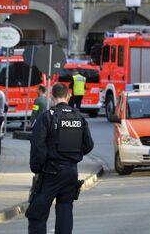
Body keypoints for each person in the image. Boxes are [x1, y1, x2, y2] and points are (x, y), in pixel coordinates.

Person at [26, 83, 95, 234]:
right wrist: (74, 156)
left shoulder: (46, 117)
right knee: (65, 213)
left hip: (50, 173)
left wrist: (37, 168)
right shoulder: (79, 117)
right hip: (71, 173)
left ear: (52, 97)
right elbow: (89, 144)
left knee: (36, 214)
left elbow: (38, 145)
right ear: (68, 96)